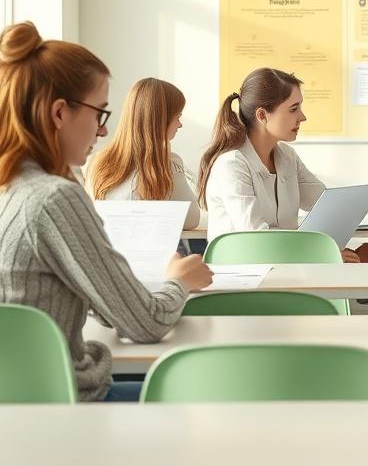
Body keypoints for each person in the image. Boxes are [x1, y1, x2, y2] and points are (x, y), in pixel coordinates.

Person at [0, 22, 212, 402]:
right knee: (208, 395)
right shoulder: (54, 198)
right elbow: (146, 323)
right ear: (60, 113)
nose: (102, 131)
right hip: (64, 407)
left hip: (18, 407)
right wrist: (179, 281)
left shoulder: (10, 190)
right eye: (99, 113)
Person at [197, 67, 368, 262]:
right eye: (293, 109)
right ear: (262, 115)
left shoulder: (287, 156)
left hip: (285, 268)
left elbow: (323, 204)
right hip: (243, 277)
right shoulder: (231, 165)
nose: (302, 117)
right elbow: (255, 238)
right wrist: (320, 254)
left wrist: (359, 202)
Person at [86, 78, 201, 230]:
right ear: (161, 119)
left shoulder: (96, 161)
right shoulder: (168, 163)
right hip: (149, 253)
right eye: (178, 117)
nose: (180, 124)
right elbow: (191, 220)